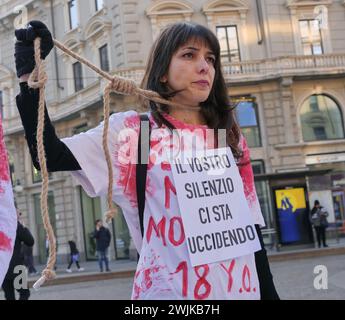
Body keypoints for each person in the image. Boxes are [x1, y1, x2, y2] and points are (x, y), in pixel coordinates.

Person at [14, 21, 279, 299]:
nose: (205, 67)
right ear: (163, 72)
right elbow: (49, 155)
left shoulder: (228, 137)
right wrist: (28, 76)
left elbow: (248, 229)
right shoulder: (134, 134)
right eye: (189, 55)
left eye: (210, 59)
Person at [0, 114, 17, 285]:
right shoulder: (11, 222)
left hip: (16, 266)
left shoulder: (12, 224)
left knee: (21, 292)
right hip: (11, 265)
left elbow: (30, 241)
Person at [1, 213, 34, 300]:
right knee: (25, 293)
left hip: (2, 268)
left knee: (9, 296)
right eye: (18, 213)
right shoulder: (14, 225)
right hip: (17, 268)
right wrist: (22, 225)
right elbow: (30, 241)